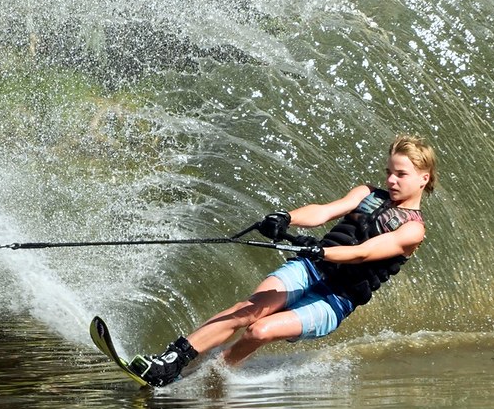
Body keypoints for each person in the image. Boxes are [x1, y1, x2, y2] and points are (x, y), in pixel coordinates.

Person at [129, 134, 437, 387]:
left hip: (336, 300)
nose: (392, 180)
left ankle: (207, 377)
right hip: (311, 269)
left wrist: (321, 250)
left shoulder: (413, 230)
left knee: (260, 331)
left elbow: (364, 252)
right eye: (389, 172)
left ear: (423, 178)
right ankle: (170, 361)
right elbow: (323, 212)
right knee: (248, 312)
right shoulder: (366, 193)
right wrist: (287, 217)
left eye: (401, 174)